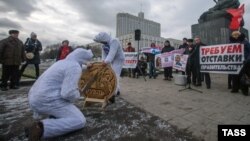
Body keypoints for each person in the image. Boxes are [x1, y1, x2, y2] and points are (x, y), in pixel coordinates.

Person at [26, 48, 93, 141]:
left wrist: (85, 66)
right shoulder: (74, 67)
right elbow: (67, 93)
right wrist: (78, 93)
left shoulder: (61, 62)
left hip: (35, 97)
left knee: (67, 106)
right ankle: (41, 128)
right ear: (84, 60)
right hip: (47, 100)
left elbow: (75, 66)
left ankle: (47, 120)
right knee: (79, 120)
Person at [93, 32, 125, 101]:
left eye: (102, 41)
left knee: (115, 74)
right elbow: (104, 55)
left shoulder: (114, 41)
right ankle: (117, 90)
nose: (102, 42)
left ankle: (113, 93)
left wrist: (106, 62)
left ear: (104, 38)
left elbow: (111, 53)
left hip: (119, 59)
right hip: (113, 59)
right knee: (111, 74)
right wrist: (103, 61)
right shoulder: (104, 45)